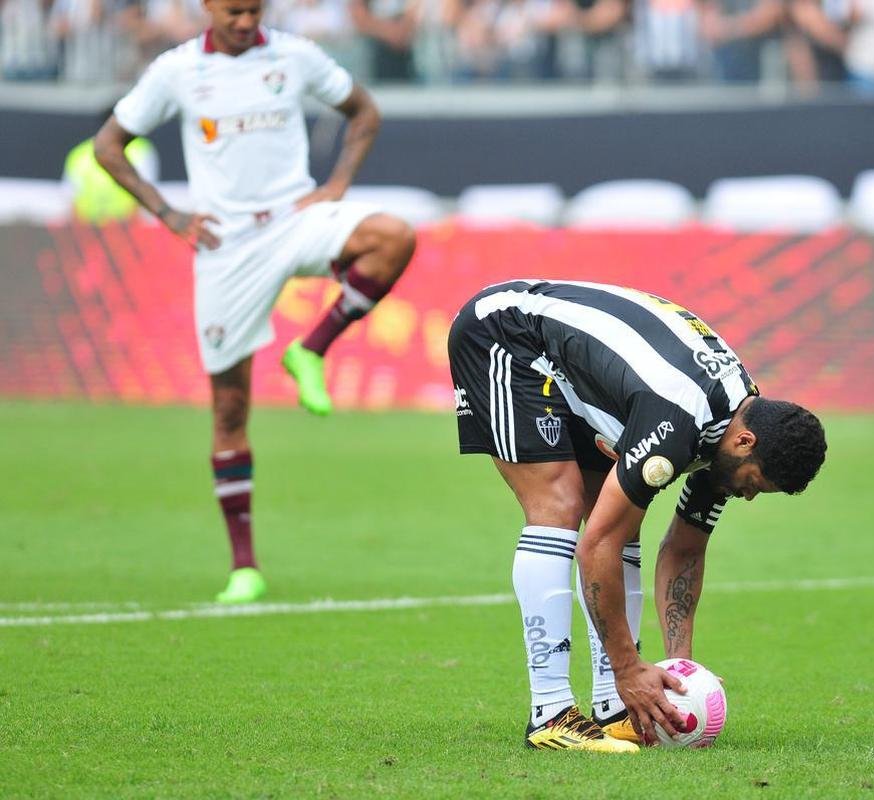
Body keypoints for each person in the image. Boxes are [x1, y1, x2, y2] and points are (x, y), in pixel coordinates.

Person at [93, 0, 417, 604]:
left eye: (254, 9)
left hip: (294, 218)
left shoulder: (293, 55)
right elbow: (108, 146)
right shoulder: (177, 70)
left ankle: (311, 350)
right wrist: (167, 212)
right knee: (229, 406)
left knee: (394, 236)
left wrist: (337, 185)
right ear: (207, 7)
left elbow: (363, 111)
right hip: (226, 246)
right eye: (234, 10)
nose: (245, 20)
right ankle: (245, 566)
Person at [448, 279, 827, 751]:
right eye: (753, 484)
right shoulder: (678, 423)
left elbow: (685, 548)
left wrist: (680, 671)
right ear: (745, 443)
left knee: (618, 522)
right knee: (560, 508)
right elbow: (595, 548)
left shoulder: (734, 427)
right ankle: (551, 714)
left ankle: (612, 708)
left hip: (576, 369)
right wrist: (630, 667)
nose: (747, 496)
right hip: (506, 334)